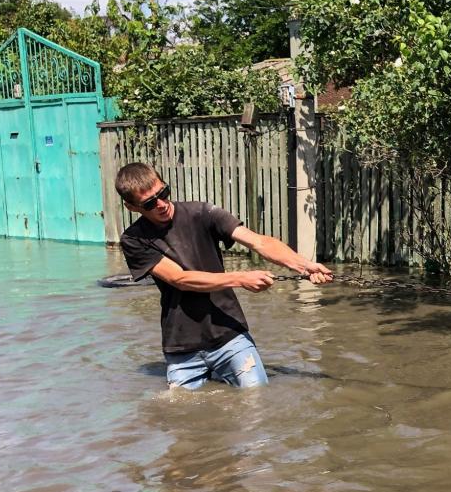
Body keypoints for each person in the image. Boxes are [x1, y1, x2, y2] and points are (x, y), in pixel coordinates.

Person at [115, 162, 333, 389]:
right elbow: (179, 279)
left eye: (163, 193)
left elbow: (258, 241)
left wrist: (305, 266)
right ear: (132, 207)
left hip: (229, 334)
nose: (161, 204)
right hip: (181, 346)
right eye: (150, 203)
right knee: (180, 417)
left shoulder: (201, 212)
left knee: (258, 401)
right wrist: (240, 278)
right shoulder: (133, 240)